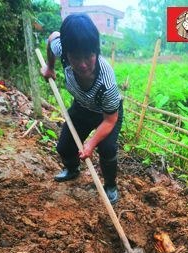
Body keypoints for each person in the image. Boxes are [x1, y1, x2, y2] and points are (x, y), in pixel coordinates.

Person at [41, 14, 123, 204]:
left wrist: (91, 143)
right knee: (64, 147)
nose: (83, 63)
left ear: (96, 50)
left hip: (107, 114)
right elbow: (52, 36)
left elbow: (110, 120)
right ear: (67, 53)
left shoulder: (106, 82)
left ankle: (110, 185)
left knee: (107, 148)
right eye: (76, 57)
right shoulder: (61, 48)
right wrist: (50, 67)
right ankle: (72, 169)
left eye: (89, 56)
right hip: (82, 107)